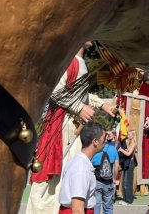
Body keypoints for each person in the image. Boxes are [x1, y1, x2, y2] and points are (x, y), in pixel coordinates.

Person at [28, 44, 117, 214]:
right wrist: (79, 108)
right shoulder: (66, 60)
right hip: (61, 128)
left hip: (73, 130)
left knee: (69, 179)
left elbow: (80, 95)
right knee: (51, 183)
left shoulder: (79, 62)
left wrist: (103, 105)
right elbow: (51, 88)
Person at [58, 122, 106, 214]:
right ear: (95, 141)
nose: (105, 141)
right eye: (104, 138)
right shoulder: (81, 167)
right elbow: (77, 209)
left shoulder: (79, 161)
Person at [92, 131, 120, 214]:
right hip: (108, 181)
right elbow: (117, 166)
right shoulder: (113, 149)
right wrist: (114, 178)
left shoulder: (95, 149)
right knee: (108, 207)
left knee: (96, 206)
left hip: (96, 180)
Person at [117, 131, 137, 206]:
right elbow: (128, 151)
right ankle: (125, 199)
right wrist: (125, 150)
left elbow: (129, 154)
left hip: (130, 163)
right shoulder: (129, 143)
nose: (128, 135)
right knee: (124, 182)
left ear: (133, 135)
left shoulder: (133, 143)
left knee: (127, 182)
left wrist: (121, 150)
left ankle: (129, 200)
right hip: (126, 163)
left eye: (129, 134)